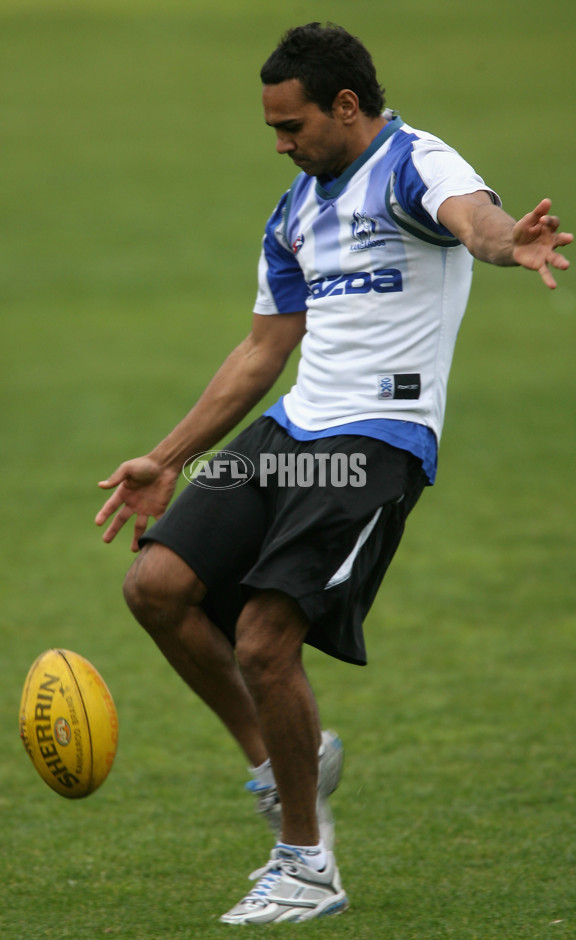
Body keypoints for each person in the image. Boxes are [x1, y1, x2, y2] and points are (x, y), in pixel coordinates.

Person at [95, 22, 571, 925]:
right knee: (155, 586)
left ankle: (307, 867)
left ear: (345, 106)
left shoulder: (414, 163)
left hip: (377, 441)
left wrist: (514, 246)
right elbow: (260, 351)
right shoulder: (294, 212)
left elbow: (476, 220)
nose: (280, 144)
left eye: (291, 126)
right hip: (293, 428)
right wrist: (166, 459)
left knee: (267, 644)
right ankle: (281, 768)